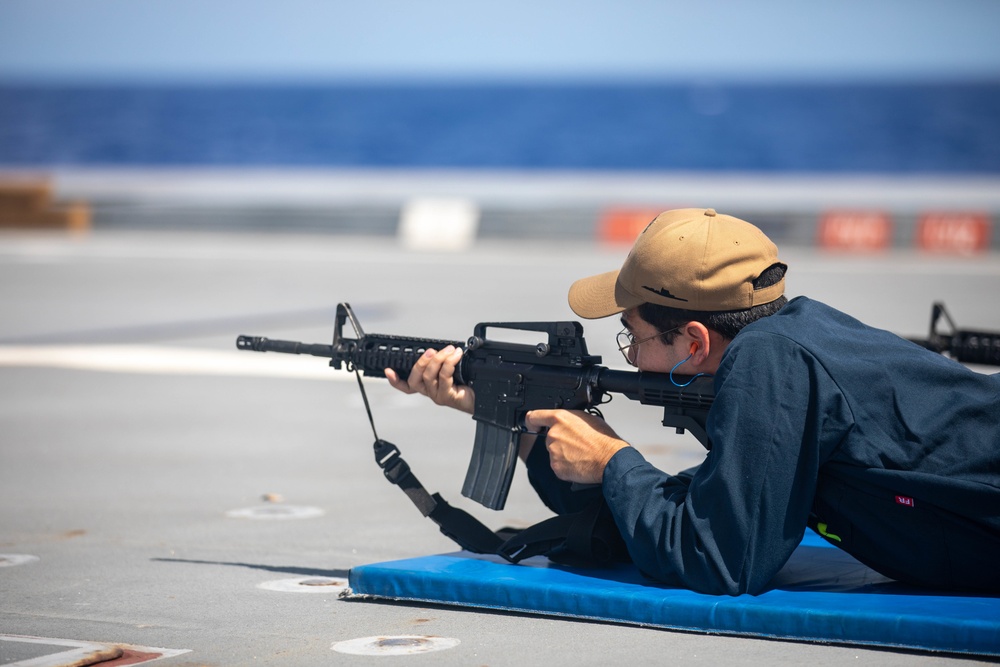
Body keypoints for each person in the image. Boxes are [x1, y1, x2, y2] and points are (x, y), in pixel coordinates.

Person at [386, 208, 1000, 596]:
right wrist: (505, 413)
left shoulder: (770, 365)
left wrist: (615, 459)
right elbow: (676, 512)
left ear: (695, 341)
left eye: (634, 334)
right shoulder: (789, 339)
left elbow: (720, 559)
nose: (627, 356)